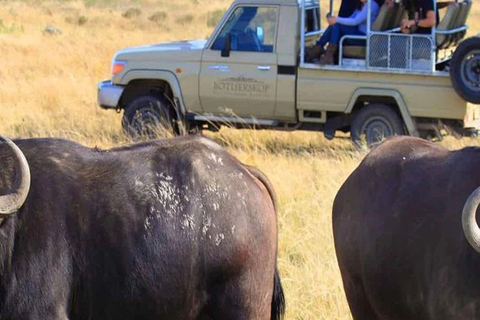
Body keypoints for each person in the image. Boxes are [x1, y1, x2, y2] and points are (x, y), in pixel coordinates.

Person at [306, 0, 380, 65]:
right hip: (358, 34)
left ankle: (321, 51)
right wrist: (335, 19)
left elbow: (355, 21)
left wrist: (337, 20)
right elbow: (351, 18)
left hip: (363, 38)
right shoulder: (363, 5)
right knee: (335, 26)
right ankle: (322, 51)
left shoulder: (371, 5)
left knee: (337, 26)